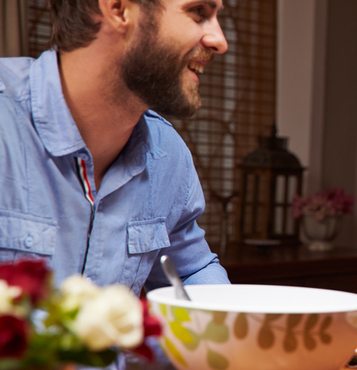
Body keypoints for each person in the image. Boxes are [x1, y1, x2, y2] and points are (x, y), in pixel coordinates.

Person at [0, 0, 230, 297]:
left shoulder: (168, 155)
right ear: (119, 9)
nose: (219, 41)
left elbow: (191, 271)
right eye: (199, 12)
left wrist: (232, 328)